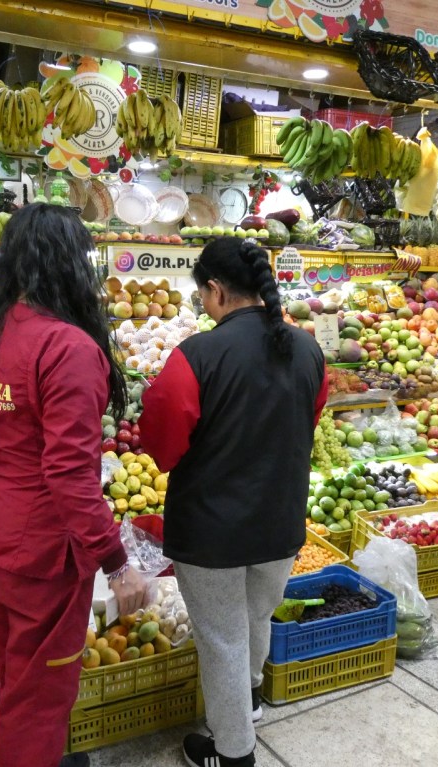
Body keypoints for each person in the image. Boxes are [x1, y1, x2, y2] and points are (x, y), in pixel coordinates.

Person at [0, 204, 147, 767]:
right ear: (72, 266)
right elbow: (67, 474)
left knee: (17, 672)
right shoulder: (69, 348)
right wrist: (117, 562)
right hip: (41, 550)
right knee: (42, 697)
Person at [139, 238, 327, 767]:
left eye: (203, 296)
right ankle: (247, 705)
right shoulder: (307, 349)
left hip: (211, 528)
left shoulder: (196, 356)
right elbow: (307, 421)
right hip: (280, 519)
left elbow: (162, 447)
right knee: (256, 616)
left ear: (216, 291)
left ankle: (233, 753)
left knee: (221, 636)